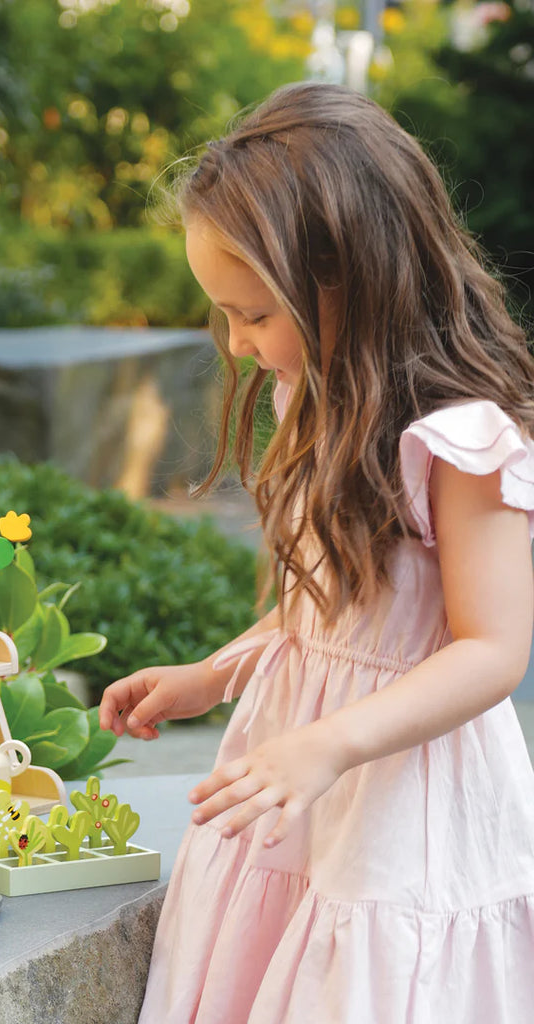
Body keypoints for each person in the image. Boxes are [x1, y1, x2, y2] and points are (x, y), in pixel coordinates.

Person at [98, 81, 534, 1023]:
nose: (237, 343)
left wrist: (329, 747)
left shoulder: (463, 439)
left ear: (352, 278)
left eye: (253, 314)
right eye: (223, 313)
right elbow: (334, 606)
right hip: (307, 784)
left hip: (404, 799)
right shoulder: (322, 392)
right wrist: (214, 675)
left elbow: (493, 651)